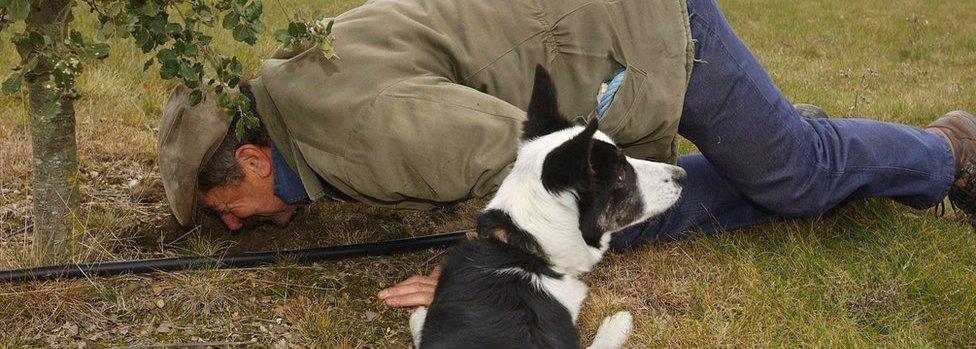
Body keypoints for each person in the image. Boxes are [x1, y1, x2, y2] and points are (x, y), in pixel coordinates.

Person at [158, 0, 974, 309]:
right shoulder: (303, 84)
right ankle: (794, 139)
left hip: (640, 27)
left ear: (257, 159)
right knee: (657, 206)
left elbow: (521, 159)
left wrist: (475, 270)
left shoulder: (360, 127)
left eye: (221, 208)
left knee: (791, 174)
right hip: (588, 37)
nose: (233, 227)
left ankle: (948, 151)